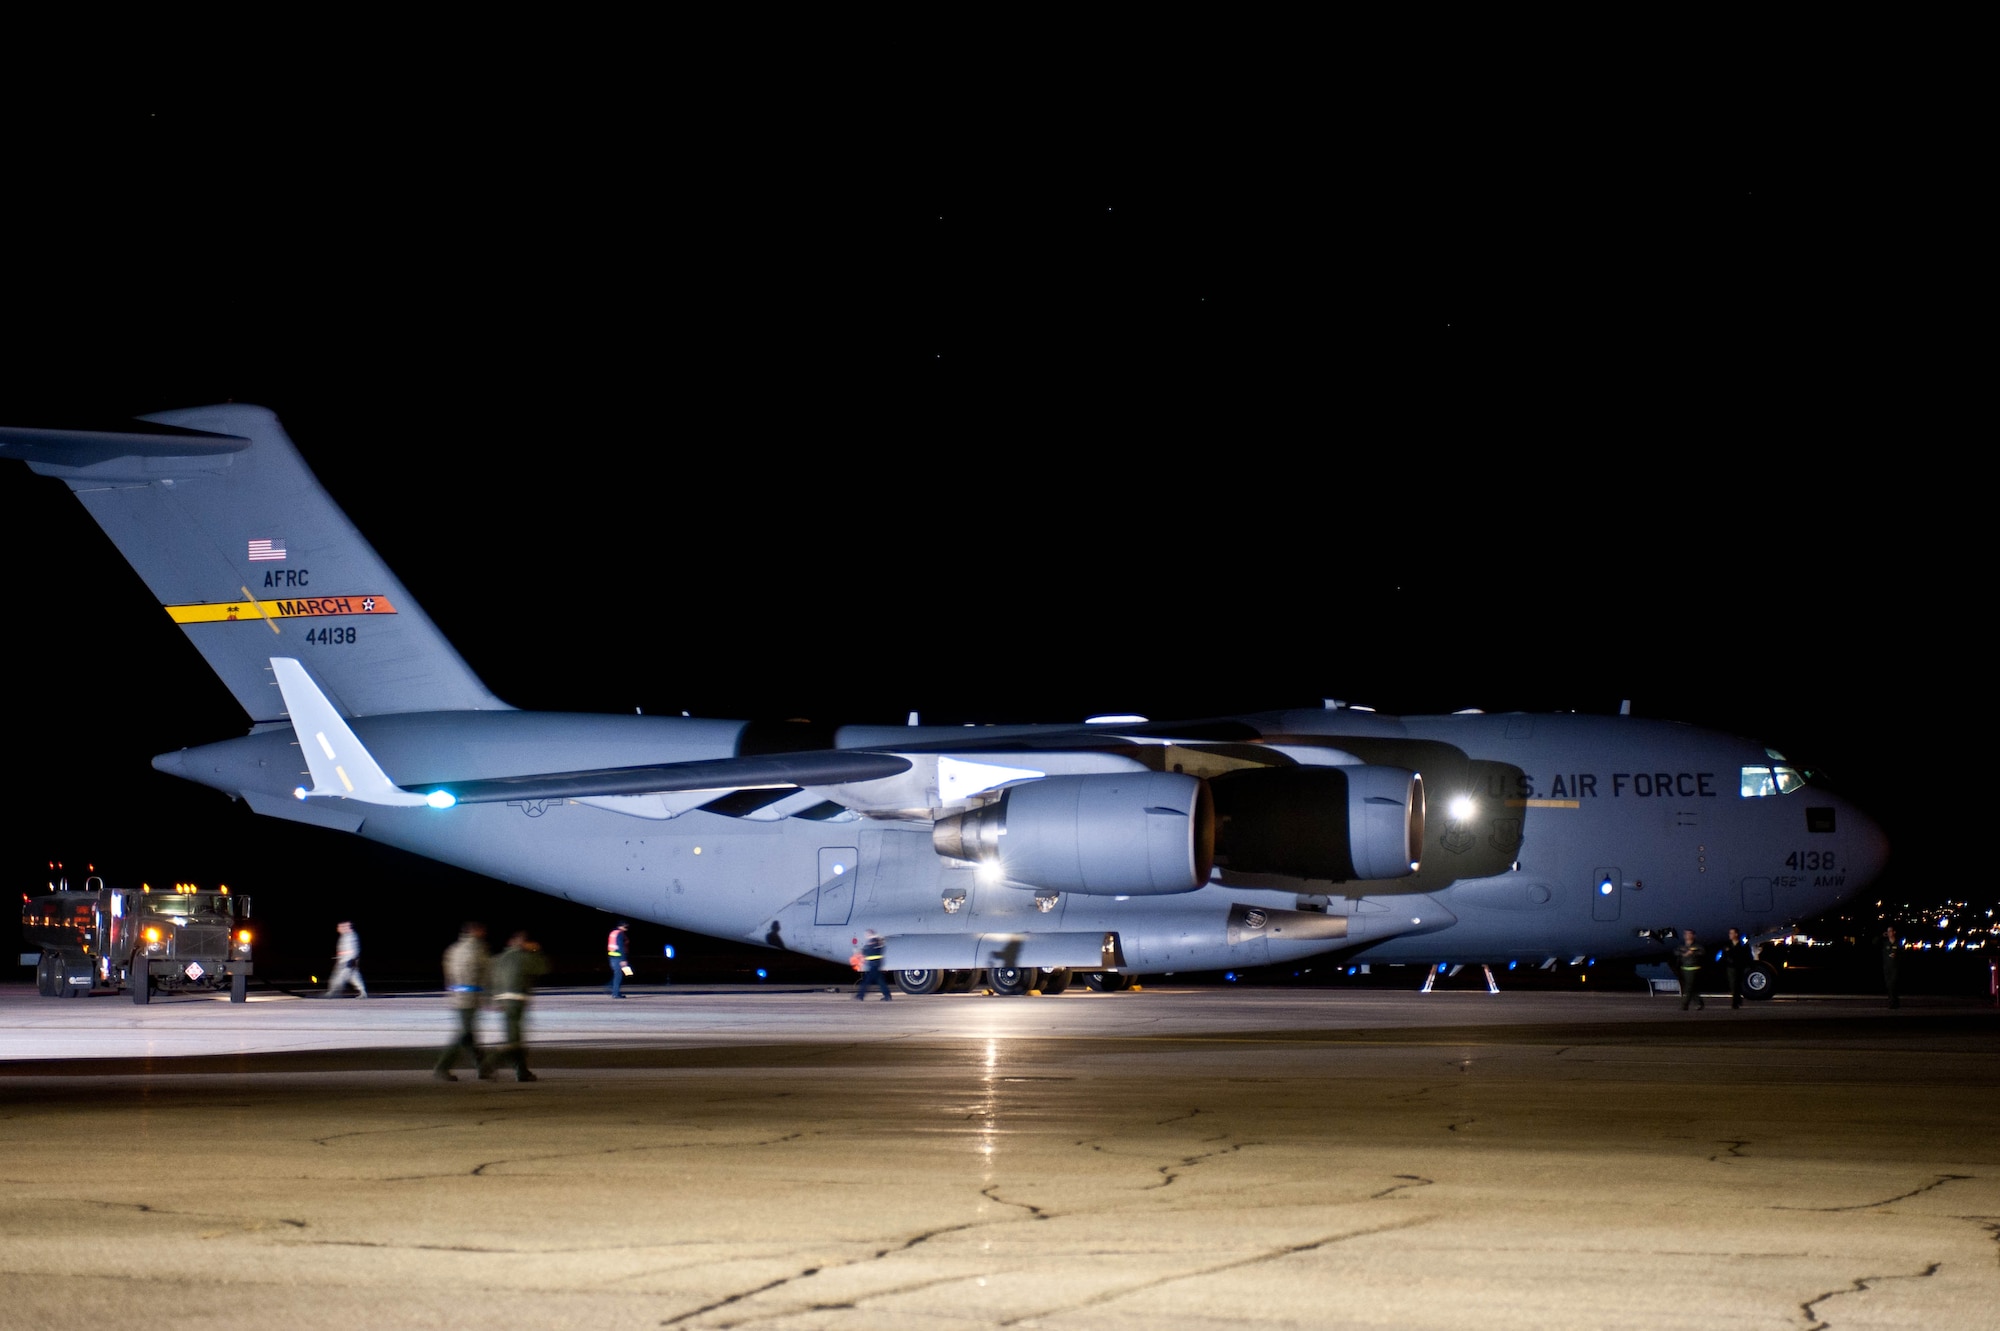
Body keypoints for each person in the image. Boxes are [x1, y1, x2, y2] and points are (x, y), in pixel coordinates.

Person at [481, 932, 550, 1082]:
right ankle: (489, 1064)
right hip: (517, 1001)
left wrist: (491, 1000)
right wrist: (535, 951)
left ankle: (522, 1072)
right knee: (514, 1041)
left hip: (503, 1002)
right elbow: (542, 968)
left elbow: (488, 981)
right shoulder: (523, 957)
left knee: (515, 1039)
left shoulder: (497, 959)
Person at [433, 923, 491, 1081]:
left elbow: (448, 974)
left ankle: (483, 1068)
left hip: (458, 997)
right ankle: (442, 1067)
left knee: (469, 1034)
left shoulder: (453, 949)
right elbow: (485, 974)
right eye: (480, 929)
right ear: (473, 931)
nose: (483, 931)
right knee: (464, 1034)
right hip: (470, 999)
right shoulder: (478, 949)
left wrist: (451, 993)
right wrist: (487, 997)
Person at [326, 921, 367, 998]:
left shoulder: (351, 937)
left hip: (348, 961)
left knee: (339, 977)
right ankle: (363, 992)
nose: (339, 928)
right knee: (354, 977)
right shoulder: (345, 936)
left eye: (341, 927)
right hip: (344, 961)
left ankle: (332, 992)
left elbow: (354, 950)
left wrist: (351, 959)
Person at [855, 927, 891, 1001]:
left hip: (874, 964)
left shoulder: (873, 941)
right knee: (880, 981)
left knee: (866, 981)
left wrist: (860, 951)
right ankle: (887, 996)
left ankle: (860, 995)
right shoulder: (878, 941)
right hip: (876, 964)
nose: (866, 936)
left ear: (870, 934)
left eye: (867, 934)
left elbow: (869, 951)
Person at [1721, 928, 1753, 1010]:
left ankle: (1736, 1001)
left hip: (1739, 967)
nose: (1730, 935)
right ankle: (1736, 1001)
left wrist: (1748, 966)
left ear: (1736, 934)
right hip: (1730, 968)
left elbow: (1748, 956)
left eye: (1732, 933)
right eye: (1729, 933)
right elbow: (1724, 956)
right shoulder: (1727, 945)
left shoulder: (1743, 946)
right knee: (1733, 985)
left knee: (1737, 985)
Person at [1675, 929, 1705, 1011]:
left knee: (1689, 987)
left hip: (1694, 968)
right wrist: (1684, 954)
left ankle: (1684, 1005)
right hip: (1685, 969)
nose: (1687, 936)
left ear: (1693, 935)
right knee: (1692, 987)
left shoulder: (1697, 946)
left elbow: (1702, 952)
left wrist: (1693, 953)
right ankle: (1699, 1003)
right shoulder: (1682, 947)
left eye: (1689, 934)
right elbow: (1676, 952)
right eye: (1686, 934)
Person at [607, 922, 631, 998]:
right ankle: (615, 993)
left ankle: (613, 989)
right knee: (619, 975)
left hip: (612, 957)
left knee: (620, 974)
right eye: (625, 927)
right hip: (618, 958)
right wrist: (623, 959)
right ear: (621, 927)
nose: (626, 929)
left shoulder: (613, 933)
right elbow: (620, 946)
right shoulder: (620, 934)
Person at [1882, 926, 1900, 1009]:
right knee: (1888, 985)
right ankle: (1892, 1001)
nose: (1889, 933)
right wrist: (1882, 935)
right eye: (1888, 931)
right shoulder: (1885, 943)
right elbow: (1874, 942)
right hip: (1887, 967)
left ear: (1894, 932)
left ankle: (1894, 1001)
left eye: (1890, 931)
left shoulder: (1897, 943)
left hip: (1895, 967)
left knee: (1893, 984)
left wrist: (1896, 955)